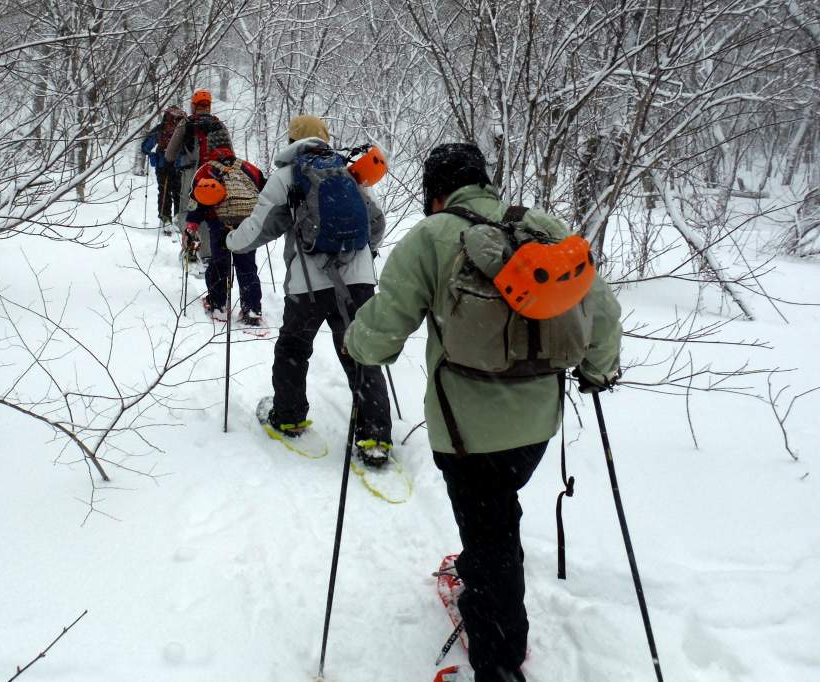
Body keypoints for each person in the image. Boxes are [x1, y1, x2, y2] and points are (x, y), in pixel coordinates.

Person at [342, 143, 622, 682]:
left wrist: (356, 344)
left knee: (492, 526)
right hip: (539, 422)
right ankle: (479, 571)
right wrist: (596, 371)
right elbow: (602, 308)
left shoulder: (430, 236)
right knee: (495, 513)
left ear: (435, 193)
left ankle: (499, 660)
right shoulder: (542, 225)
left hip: (465, 430)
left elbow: (380, 334)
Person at [226, 115, 392, 467]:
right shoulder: (350, 172)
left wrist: (231, 242)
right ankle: (375, 435)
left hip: (309, 285)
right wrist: (362, 256)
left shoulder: (287, 176)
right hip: (359, 282)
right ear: (326, 138)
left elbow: (259, 227)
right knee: (361, 353)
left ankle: (288, 417)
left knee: (294, 348)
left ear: (292, 139)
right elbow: (375, 223)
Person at [186, 145, 264, 325]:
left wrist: (192, 224)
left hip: (220, 223)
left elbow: (198, 199)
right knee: (247, 266)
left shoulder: (206, 169)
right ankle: (251, 309)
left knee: (219, 263)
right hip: (248, 222)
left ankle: (218, 303)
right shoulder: (247, 167)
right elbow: (265, 189)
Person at [165, 89, 233, 266]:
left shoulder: (186, 124)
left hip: (191, 175)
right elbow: (230, 153)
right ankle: (209, 254)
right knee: (211, 212)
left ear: (194, 106)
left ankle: (190, 248)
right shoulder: (218, 125)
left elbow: (170, 155)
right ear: (209, 105)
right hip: (216, 175)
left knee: (188, 211)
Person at [140, 106, 186, 234]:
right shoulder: (185, 128)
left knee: (164, 192)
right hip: (180, 164)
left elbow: (145, 146)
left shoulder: (161, 128)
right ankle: (178, 218)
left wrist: (152, 154)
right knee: (179, 192)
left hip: (163, 163)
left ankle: (165, 219)